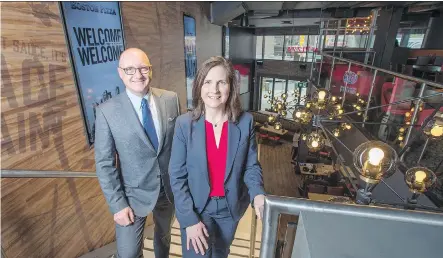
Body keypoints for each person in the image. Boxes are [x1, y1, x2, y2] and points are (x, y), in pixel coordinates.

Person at [169, 56, 266, 258]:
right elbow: (176, 177)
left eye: (221, 82)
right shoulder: (184, 125)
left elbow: (251, 166)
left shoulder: (245, 122)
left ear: (230, 87)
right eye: (208, 82)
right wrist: (189, 220)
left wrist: (257, 193)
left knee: (221, 254)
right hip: (197, 209)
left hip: (230, 210)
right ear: (199, 86)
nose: (214, 90)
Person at [94, 48, 179, 258]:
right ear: (120, 73)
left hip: (167, 190)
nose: (138, 75)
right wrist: (117, 205)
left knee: (164, 238)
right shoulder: (107, 111)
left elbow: (178, 145)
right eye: (130, 69)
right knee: (128, 253)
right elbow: (104, 163)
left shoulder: (170, 99)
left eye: (143, 68)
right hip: (132, 195)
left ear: (150, 70)